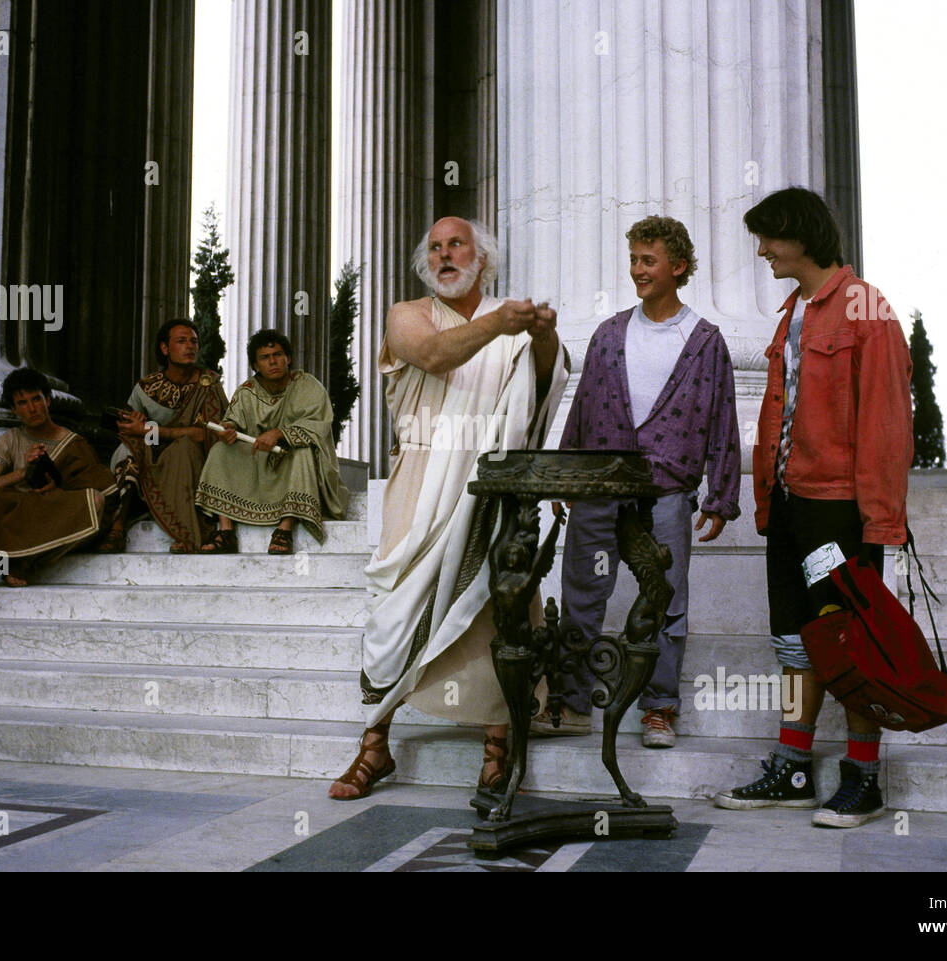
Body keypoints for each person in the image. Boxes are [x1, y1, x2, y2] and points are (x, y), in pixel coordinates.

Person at [327, 216, 568, 800]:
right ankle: (374, 746)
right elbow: (433, 357)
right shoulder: (407, 315)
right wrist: (501, 323)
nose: (444, 254)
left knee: (496, 610)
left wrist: (541, 337)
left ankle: (496, 751)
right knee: (395, 606)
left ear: (482, 258)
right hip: (421, 474)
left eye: (455, 244)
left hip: (491, 480)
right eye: (434, 247)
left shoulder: (511, 322)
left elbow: (541, 384)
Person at [714, 187, 912, 827]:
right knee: (795, 643)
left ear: (801, 234)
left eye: (770, 237)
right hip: (793, 503)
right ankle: (794, 770)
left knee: (849, 642)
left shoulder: (867, 308)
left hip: (841, 509)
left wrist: (879, 521)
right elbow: (778, 411)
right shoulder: (791, 311)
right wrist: (767, 502)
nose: (763, 250)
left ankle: (864, 776)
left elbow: (886, 424)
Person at [534, 215, 741, 748]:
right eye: (633, 260)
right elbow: (582, 409)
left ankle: (659, 708)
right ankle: (574, 703)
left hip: (667, 492)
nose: (637, 271)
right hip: (600, 485)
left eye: (648, 261)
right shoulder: (609, 334)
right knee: (582, 595)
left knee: (665, 601)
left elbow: (723, 420)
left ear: (679, 266)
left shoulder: (705, 342)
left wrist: (721, 495)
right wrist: (565, 475)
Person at [0, 368, 117, 622]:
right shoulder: (8, 441)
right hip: (16, 519)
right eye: (22, 403)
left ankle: (28, 562)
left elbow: (90, 485)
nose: (32, 408)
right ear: (13, 410)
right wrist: (23, 473)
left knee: (95, 501)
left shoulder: (74, 443)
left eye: (36, 399)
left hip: (50, 516)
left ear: (48, 400)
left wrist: (56, 487)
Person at [194, 329, 348, 553]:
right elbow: (233, 421)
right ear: (255, 365)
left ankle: (285, 529)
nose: (273, 361)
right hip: (258, 462)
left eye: (277, 355)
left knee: (303, 450)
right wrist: (227, 430)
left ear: (288, 358)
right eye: (265, 358)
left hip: (291, 459)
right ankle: (226, 532)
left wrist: (279, 433)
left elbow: (318, 425)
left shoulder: (307, 385)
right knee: (220, 450)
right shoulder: (247, 391)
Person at [105, 319, 228, 553]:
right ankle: (117, 526)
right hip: (155, 451)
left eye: (194, 341)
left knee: (184, 449)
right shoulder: (146, 388)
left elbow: (207, 435)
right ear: (164, 348)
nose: (190, 346)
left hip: (194, 455)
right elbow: (130, 430)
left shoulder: (208, 383)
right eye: (181, 341)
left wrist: (152, 430)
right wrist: (140, 426)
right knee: (128, 449)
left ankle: (187, 532)